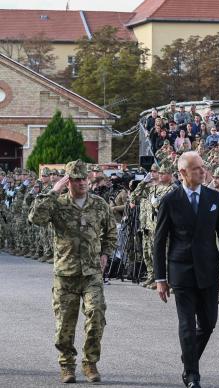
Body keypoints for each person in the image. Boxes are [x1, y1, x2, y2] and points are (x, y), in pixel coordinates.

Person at [29, 160, 116, 384]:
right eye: (76, 179)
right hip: (65, 274)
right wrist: (53, 191)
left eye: (84, 178)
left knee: (96, 315)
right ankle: (67, 365)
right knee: (64, 326)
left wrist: (106, 252)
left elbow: (111, 231)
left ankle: (90, 363)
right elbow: (35, 218)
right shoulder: (57, 203)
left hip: (92, 274)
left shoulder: (99, 204)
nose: (82, 183)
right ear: (68, 182)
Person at [152, 151, 219, 388]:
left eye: (202, 167)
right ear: (183, 173)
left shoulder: (214, 198)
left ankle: (188, 357)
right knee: (187, 325)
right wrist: (160, 278)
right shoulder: (170, 200)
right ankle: (192, 375)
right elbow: (159, 241)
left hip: (209, 270)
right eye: (196, 168)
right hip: (182, 271)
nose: (202, 171)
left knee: (208, 324)